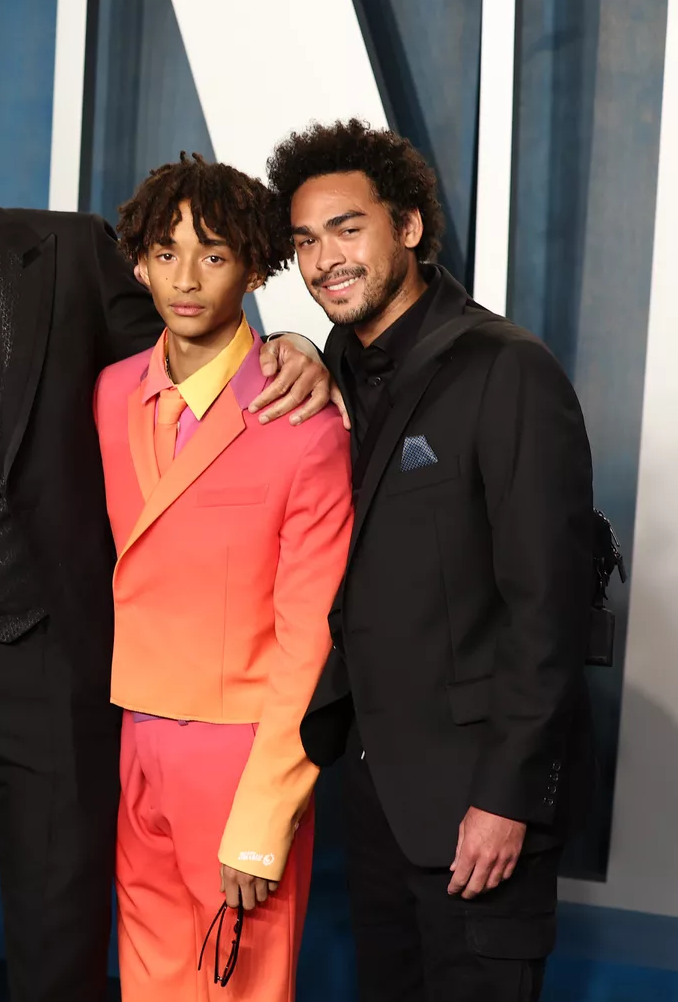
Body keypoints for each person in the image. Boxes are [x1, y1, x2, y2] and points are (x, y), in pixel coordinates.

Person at [0, 61, 338, 1002]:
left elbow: (191, 350)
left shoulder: (71, 252)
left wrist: (291, 340)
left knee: (61, 944)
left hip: (55, 667)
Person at [272, 120, 596, 1002]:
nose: (324, 258)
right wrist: (299, 350)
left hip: (481, 812)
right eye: (305, 240)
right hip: (377, 807)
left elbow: (550, 613)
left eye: (347, 228)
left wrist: (508, 801)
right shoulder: (334, 362)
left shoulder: (508, 370)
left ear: (408, 227)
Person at [93, 154, 353, 1001]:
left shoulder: (303, 423)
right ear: (138, 264)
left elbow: (310, 636)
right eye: (165, 253)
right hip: (135, 732)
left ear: (253, 264)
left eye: (211, 253)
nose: (186, 277)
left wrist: (266, 811)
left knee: (238, 985)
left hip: (242, 751)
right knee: (150, 976)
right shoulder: (109, 393)